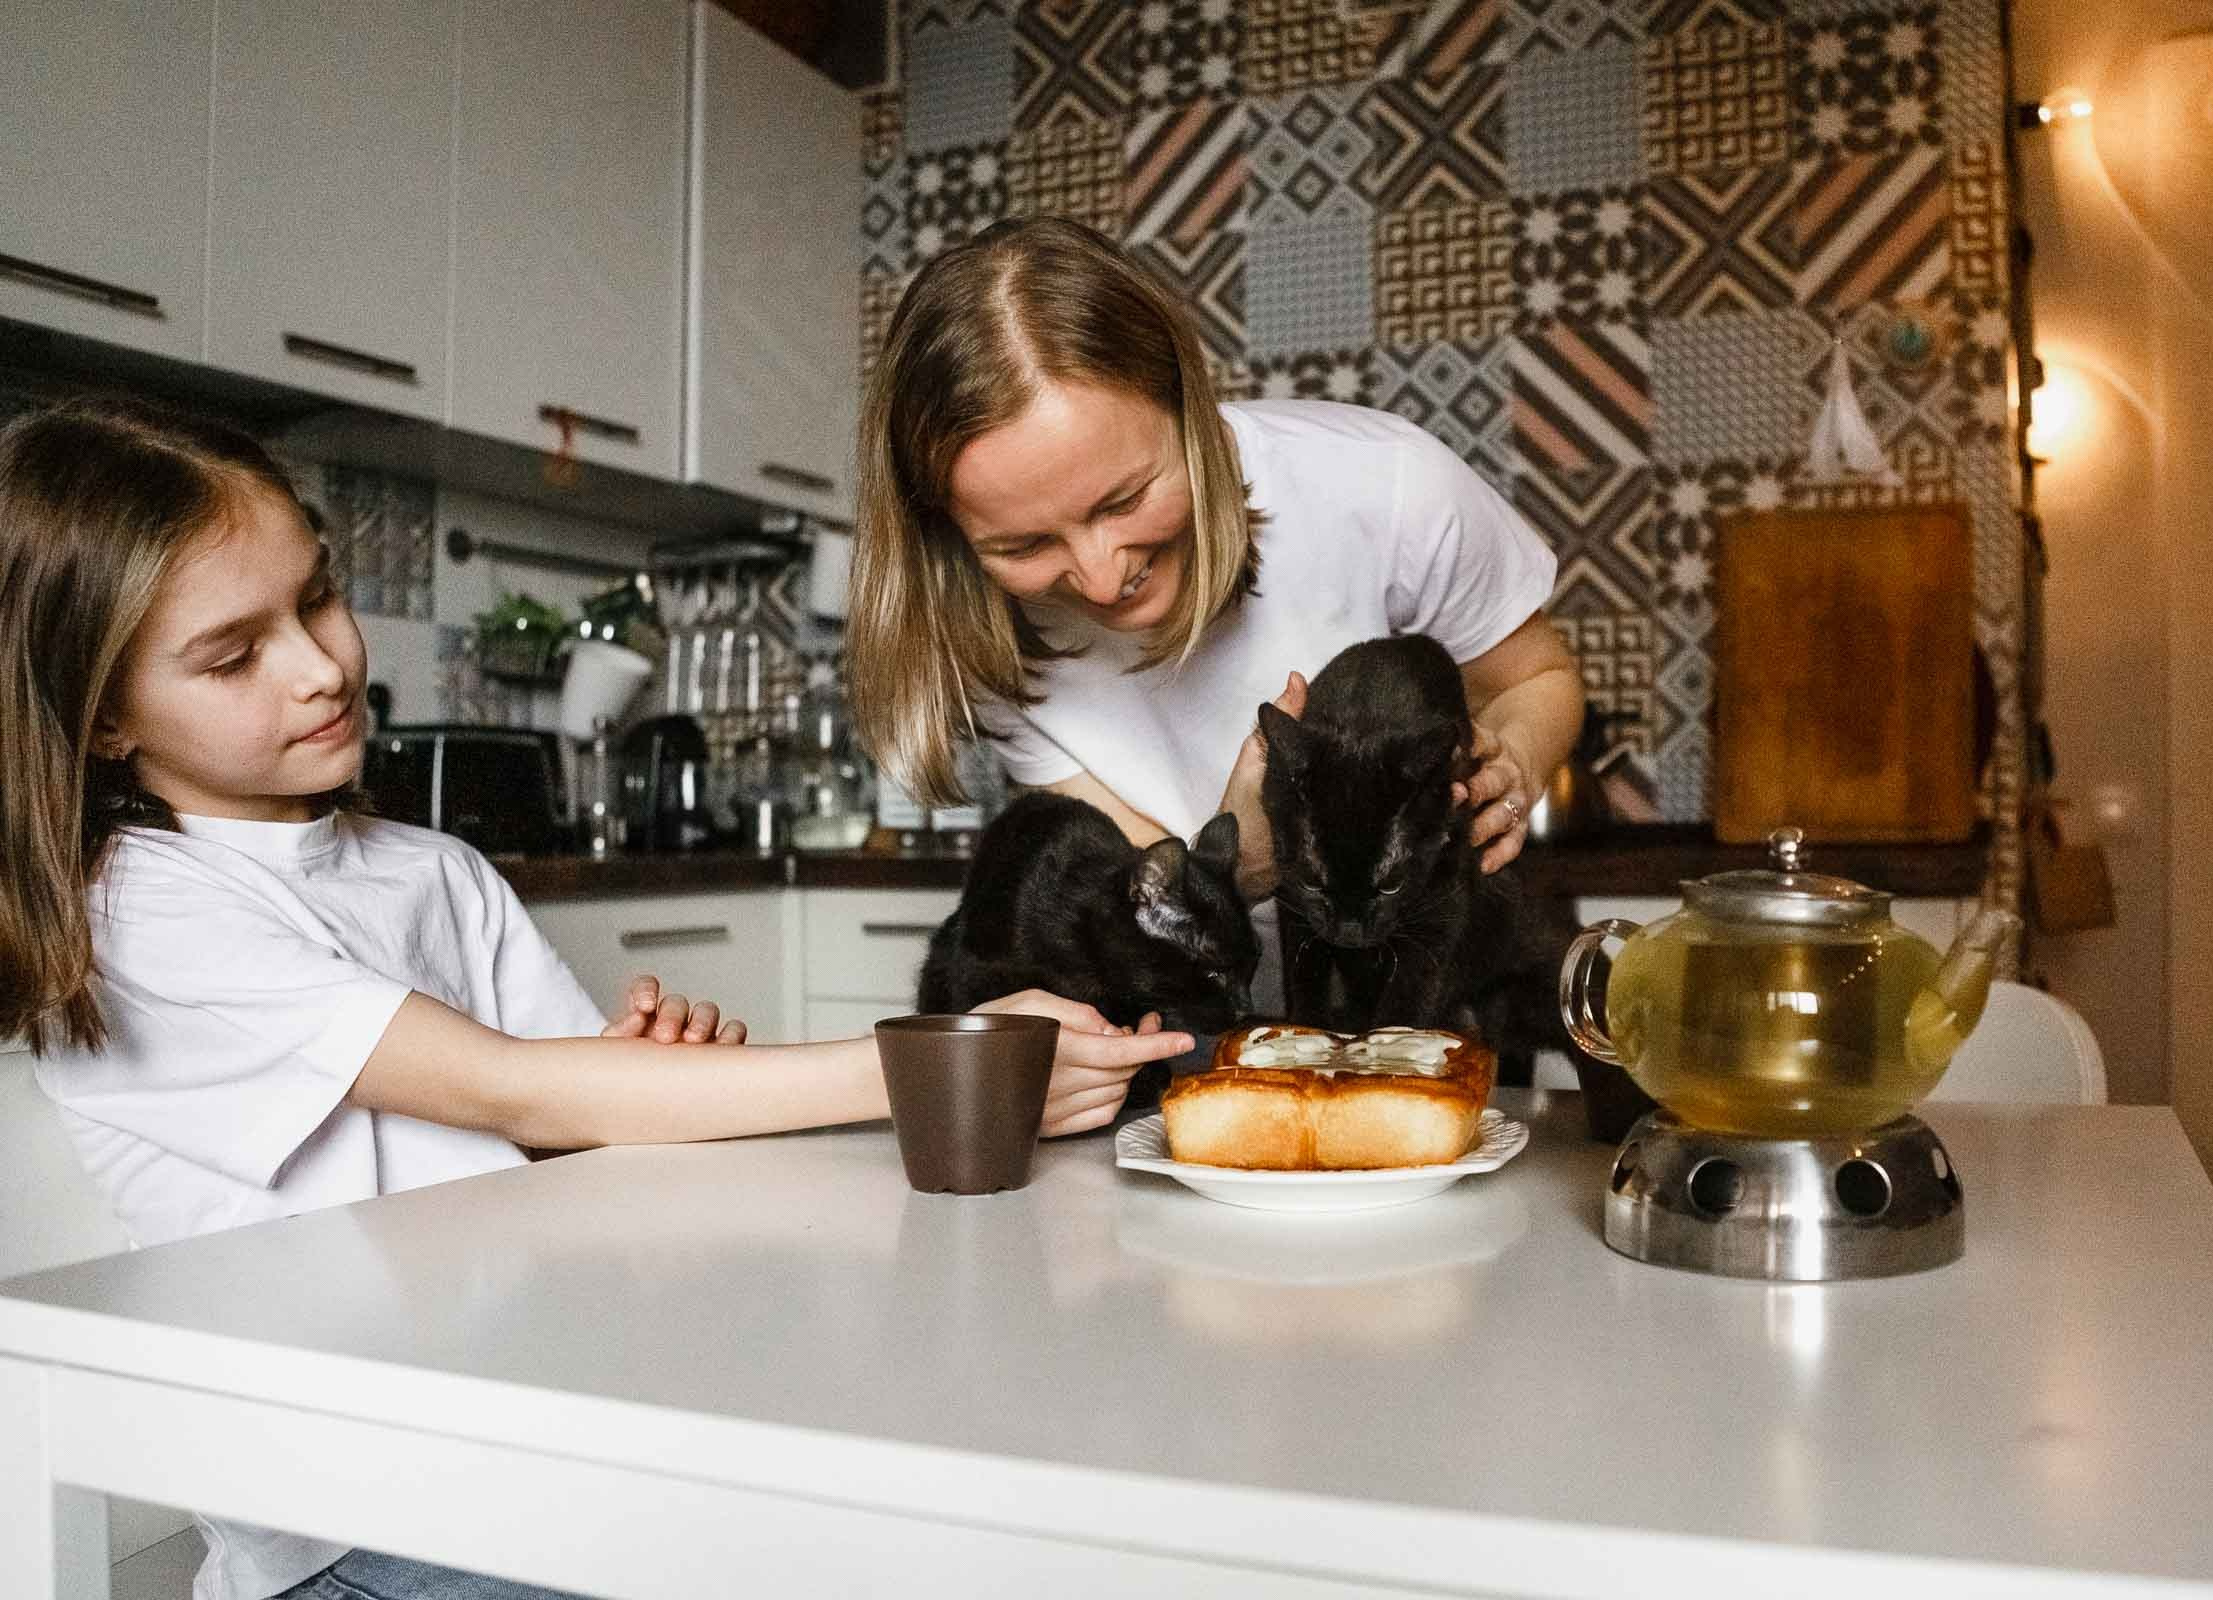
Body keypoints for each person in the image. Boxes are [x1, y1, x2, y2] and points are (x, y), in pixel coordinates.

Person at [0, 396, 1191, 1600]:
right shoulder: (140, 910)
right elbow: (510, 1082)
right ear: (102, 715)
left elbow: (563, 1116)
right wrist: (953, 1062)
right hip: (358, 1524)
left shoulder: (435, 871)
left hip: (540, 1438)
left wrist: (641, 1086)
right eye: (233, 653)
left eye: (315, 598)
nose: (322, 666)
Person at [847, 217, 1586, 993]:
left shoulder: (1387, 487)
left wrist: (1516, 761)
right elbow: (1146, 914)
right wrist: (1245, 862)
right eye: (1024, 546)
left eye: (1125, 498)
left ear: (1189, 407)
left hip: (1415, 1001)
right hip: (1201, 1029)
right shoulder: (986, 624)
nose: (1100, 579)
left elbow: (1536, 680)